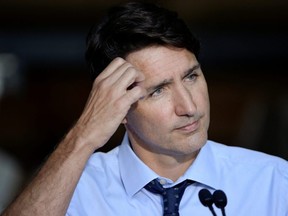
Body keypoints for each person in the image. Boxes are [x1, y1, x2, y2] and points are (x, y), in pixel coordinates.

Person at [2, 2, 288, 216]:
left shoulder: (274, 181)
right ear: (118, 108)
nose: (189, 107)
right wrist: (84, 135)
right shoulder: (74, 188)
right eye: (158, 90)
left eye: (191, 77)